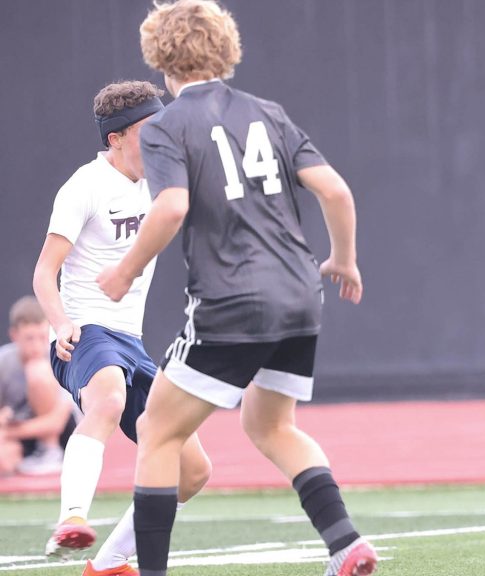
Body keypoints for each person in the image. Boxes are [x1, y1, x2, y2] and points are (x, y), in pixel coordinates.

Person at [96, 2, 377, 575]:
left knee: (156, 430)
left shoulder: (167, 125)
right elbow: (337, 193)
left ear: (158, 55)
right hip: (301, 293)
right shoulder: (267, 112)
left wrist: (124, 270)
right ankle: (346, 543)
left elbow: (171, 207)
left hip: (231, 300)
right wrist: (343, 260)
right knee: (272, 425)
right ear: (229, 47)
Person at [33, 80, 213, 575]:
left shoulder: (163, 178)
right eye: (149, 130)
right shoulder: (83, 187)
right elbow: (44, 272)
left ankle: (108, 565)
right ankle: (71, 516)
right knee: (108, 397)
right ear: (115, 138)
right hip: (85, 332)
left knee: (192, 470)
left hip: (130, 341)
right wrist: (61, 322)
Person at [0, 296, 76, 477]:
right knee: (4, 461)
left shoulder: (61, 358)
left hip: (63, 434)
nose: (36, 346)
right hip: (24, 434)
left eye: (42, 337)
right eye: (29, 338)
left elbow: (56, 422)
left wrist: (8, 432)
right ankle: (30, 457)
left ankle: (50, 451)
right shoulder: (4, 361)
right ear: (14, 335)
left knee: (38, 371)